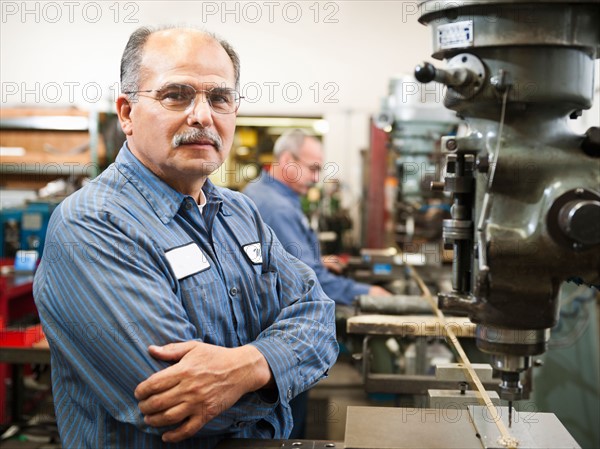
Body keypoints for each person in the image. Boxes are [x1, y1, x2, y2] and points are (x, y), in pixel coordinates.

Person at [33, 26, 338, 449]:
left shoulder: (241, 212)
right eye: (176, 95)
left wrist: (250, 366)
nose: (202, 115)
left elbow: (320, 319)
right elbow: (176, 402)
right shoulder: (92, 225)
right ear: (127, 113)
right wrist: (284, 371)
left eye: (219, 98)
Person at [243, 129, 390, 437]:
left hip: (271, 336)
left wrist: (316, 260)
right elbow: (306, 283)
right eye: (312, 168)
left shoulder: (268, 194)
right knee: (286, 426)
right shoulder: (277, 207)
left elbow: (282, 261)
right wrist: (367, 292)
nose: (316, 177)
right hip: (282, 336)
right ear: (286, 160)